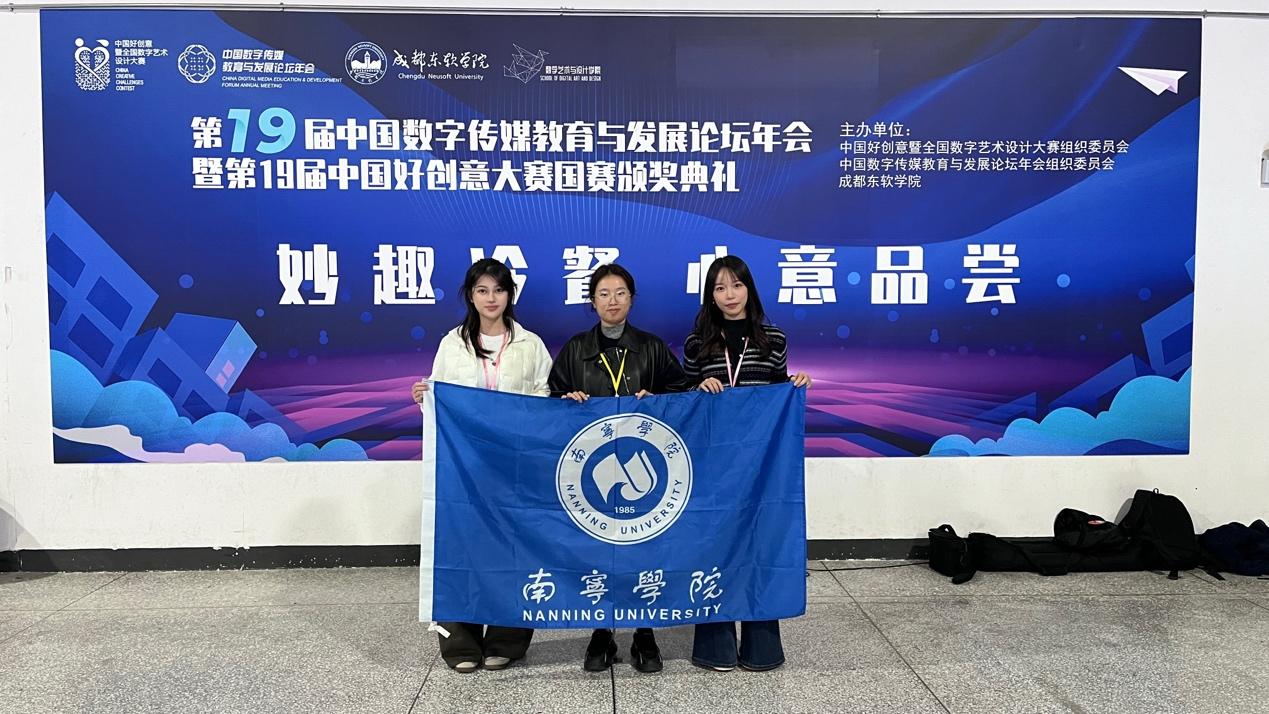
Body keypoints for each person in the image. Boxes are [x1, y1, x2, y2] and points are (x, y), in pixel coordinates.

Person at [411, 258, 553, 673]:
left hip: (515, 465)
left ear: (510, 294)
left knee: (514, 548)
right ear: (470, 296)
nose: (492, 298)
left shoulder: (531, 345)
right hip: (464, 468)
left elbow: (544, 397)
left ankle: (507, 639)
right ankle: (460, 642)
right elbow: (441, 399)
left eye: (499, 290)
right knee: (462, 545)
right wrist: (426, 398)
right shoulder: (452, 344)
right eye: (482, 290)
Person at [548, 262, 690, 673]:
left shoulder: (652, 348)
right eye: (604, 294)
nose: (613, 301)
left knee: (643, 545)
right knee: (595, 547)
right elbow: (549, 402)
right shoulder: (576, 349)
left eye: (621, 293)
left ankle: (644, 632)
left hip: (644, 464)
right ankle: (601, 631)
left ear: (632, 298)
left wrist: (658, 401)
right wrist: (566, 401)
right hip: (591, 470)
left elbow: (683, 396)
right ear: (592, 301)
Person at [681, 255, 811, 673]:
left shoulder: (774, 339)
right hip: (712, 463)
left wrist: (793, 386)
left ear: (749, 289)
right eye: (719, 288)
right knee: (714, 543)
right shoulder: (697, 342)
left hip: (760, 467)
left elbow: (775, 395)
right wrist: (698, 386)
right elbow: (682, 400)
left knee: (760, 542)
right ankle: (714, 644)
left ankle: (762, 645)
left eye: (736, 285)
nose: (729, 295)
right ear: (710, 296)